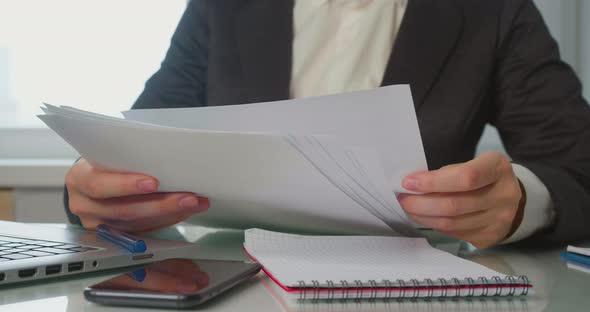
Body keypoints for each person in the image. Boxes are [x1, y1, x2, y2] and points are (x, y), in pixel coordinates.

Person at [63, 0, 590, 248]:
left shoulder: (491, 10)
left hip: (417, 292)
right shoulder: (223, 7)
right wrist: (92, 189)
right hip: (221, 279)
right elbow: (133, 151)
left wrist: (521, 201)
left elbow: (577, 165)